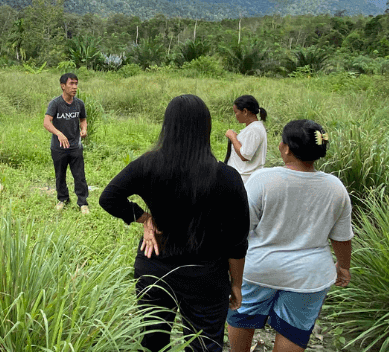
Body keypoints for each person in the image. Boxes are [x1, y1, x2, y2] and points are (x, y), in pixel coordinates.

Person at [99, 94, 250, 352]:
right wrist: (236, 284)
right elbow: (237, 241)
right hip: (206, 276)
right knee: (204, 345)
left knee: (153, 341)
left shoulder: (148, 165)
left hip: (155, 267)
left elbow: (109, 197)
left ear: (167, 126)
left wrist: (143, 217)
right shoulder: (227, 177)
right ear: (206, 128)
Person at [227, 119, 352, 352]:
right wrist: (343, 266)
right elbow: (342, 237)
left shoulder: (263, 180)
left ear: (286, 148)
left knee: (242, 315)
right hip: (309, 277)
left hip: (258, 269)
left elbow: (240, 231)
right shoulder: (335, 187)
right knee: (293, 331)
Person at [43, 72, 89, 213]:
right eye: (71, 84)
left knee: (79, 175)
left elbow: (83, 119)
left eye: (76, 84)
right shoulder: (55, 103)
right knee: (60, 174)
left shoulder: (79, 104)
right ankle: (63, 199)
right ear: (63, 86)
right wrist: (58, 133)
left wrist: (84, 129)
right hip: (59, 147)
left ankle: (83, 203)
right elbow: (46, 122)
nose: (74, 87)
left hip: (75, 145)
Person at [223, 95, 269, 182]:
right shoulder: (253, 128)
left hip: (244, 179)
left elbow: (245, 155)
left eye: (236, 112)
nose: (235, 116)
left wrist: (233, 137)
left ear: (245, 111)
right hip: (241, 177)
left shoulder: (254, 129)